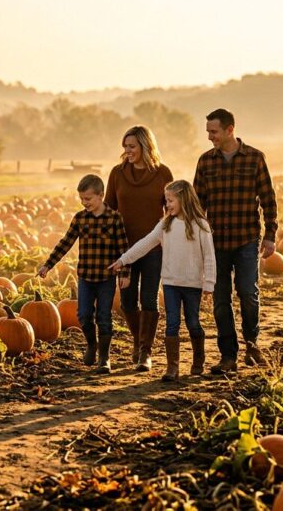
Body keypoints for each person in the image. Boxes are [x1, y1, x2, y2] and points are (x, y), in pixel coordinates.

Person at [193, 108, 278, 374]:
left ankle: (252, 344)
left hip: (246, 240)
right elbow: (197, 205)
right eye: (208, 131)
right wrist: (194, 239)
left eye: (214, 131)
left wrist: (271, 235)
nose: (210, 137)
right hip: (215, 243)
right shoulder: (205, 162)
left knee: (248, 293)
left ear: (230, 130)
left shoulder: (254, 158)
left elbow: (268, 199)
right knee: (220, 300)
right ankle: (228, 355)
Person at [109, 180, 216, 381]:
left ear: (184, 199)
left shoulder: (201, 225)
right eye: (166, 201)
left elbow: (209, 256)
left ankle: (198, 359)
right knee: (172, 323)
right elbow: (145, 243)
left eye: (170, 200)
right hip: (170, 284)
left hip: (193, 284)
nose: (167, 205)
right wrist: (124, 260)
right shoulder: (166, 224)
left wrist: (209, 283)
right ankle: (172, 368)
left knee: (193, 322)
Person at [38, 174, 130, 374]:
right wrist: (48, 264)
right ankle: (92, 344)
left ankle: (104, 359)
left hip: (106, 277)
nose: (84, 202)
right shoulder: (80, 218)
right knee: (83, 315)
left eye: (88, 198)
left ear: (101, 195)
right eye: (81, 199)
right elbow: (66, 242)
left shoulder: (114, 218)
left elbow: (123, 249)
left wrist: (124, 273)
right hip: (86, 277)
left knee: (104, 317)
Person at [105, 126, 173, 371]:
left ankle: (145, 352)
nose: (127, 151)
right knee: (127, 301)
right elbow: (109, 208)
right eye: (125, 147)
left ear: (145, 146)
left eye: (132, 146)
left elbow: (171, 210)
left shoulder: (163, 173)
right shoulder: (117, 173)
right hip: (124, 248)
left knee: (150, 299)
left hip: (154, 246)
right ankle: (138, 340)